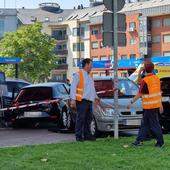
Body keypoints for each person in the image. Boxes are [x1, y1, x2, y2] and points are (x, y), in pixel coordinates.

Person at [127, 62, 164, 148]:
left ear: (145, 70)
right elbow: (159, 93)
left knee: (154, 125)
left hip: (149, 106)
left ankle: (160, 142)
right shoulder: (156, 79)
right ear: (153, 68)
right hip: (154, 105)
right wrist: (160, 105)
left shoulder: (146, 80)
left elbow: (139, 93)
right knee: (145, 124)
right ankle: (139, 140)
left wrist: (131, 102)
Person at [70, 58, 99, 142]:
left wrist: (96, 97)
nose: (92, 67)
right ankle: (78, 136)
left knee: (88, 119)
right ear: (86, 65)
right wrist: (73, 99)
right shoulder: (78, 74)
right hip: (81, 101)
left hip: (89, 101)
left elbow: (92, 89)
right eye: (91, 65)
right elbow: (73, 87)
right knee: (81, 118)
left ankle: (87, 135)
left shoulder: (89, 75)